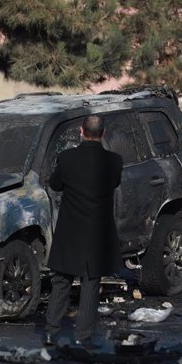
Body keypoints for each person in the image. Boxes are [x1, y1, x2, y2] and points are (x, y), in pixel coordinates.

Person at [42, 115, 122, 349]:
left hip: (70, 230)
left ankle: (51, 332)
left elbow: (55, 184)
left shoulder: (67, 158)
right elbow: (114, 183)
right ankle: (83, 336)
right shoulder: (114, 161)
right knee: (90, 283)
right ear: (103, 133)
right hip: (97, 232)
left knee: (61, 282)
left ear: (81, 131)